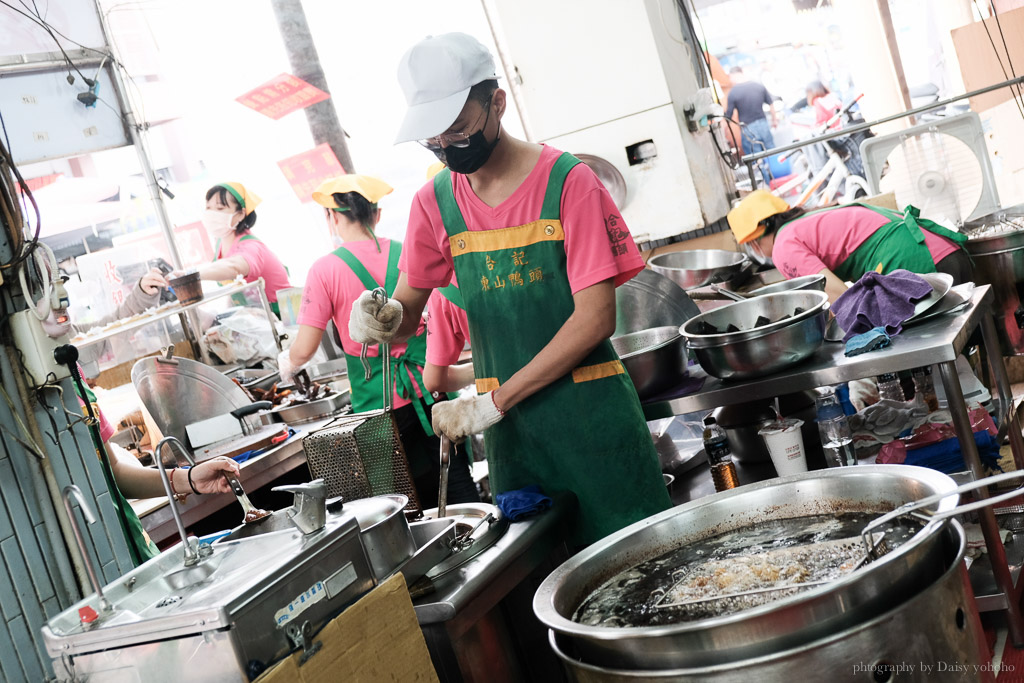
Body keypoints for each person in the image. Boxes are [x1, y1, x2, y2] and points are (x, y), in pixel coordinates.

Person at [349, 33, 671, 546]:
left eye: (457, 129)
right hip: (514, 440)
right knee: (547, 586)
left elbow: (594, 318)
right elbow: (406, 316)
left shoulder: (569, 182)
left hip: (590, 421)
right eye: (432, 139)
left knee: (642, 568)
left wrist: (494, 401)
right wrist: (378, 318)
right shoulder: (435, 202)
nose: (446, 146)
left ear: (496, 102)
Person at [277, 174, 477, 508]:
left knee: (401, 497)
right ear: (377, 214)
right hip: (433, 387)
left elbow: (305, 349)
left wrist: (287, 361)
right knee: (454, 481)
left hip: (379, 406)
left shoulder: (324, 270)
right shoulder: (408, 251)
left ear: (334, 216)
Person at [727, 190, 971, 303]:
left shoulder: (783, 247)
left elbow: (837, 296)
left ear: (755, 240)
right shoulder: (805, 222)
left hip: (916, 263)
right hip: (943, 248)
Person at [194, 183, 292, 316]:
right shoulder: (220, 246)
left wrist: (192, 275)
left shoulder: (251, 246)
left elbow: (235, 267)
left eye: (220, 208)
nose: (212, 215)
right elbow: (235, 292)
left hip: (283, 318)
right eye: (208, 208)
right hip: (256, 319)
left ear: (240, 214)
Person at [725, 66, 777, 185]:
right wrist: (774, 120)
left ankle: (767, 184)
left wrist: (726, 130)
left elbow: (728, 115)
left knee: (756, 160)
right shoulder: (758, 85)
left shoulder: (733, 92)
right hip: (763, 124)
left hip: (748, 129)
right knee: (772, 153)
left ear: (733, 75)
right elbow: (771, 104)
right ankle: (777, 181)